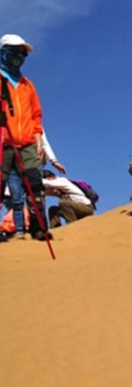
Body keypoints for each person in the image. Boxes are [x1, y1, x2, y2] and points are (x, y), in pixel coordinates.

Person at [0, 33, 52, 241]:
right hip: (3, 141)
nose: (20, 56)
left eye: (23, 53)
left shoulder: (27, 85)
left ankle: (39, 228)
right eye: (16, 51)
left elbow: (35, 115)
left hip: (27, 142)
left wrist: (38, 141)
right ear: (4, 52)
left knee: (34, 182)